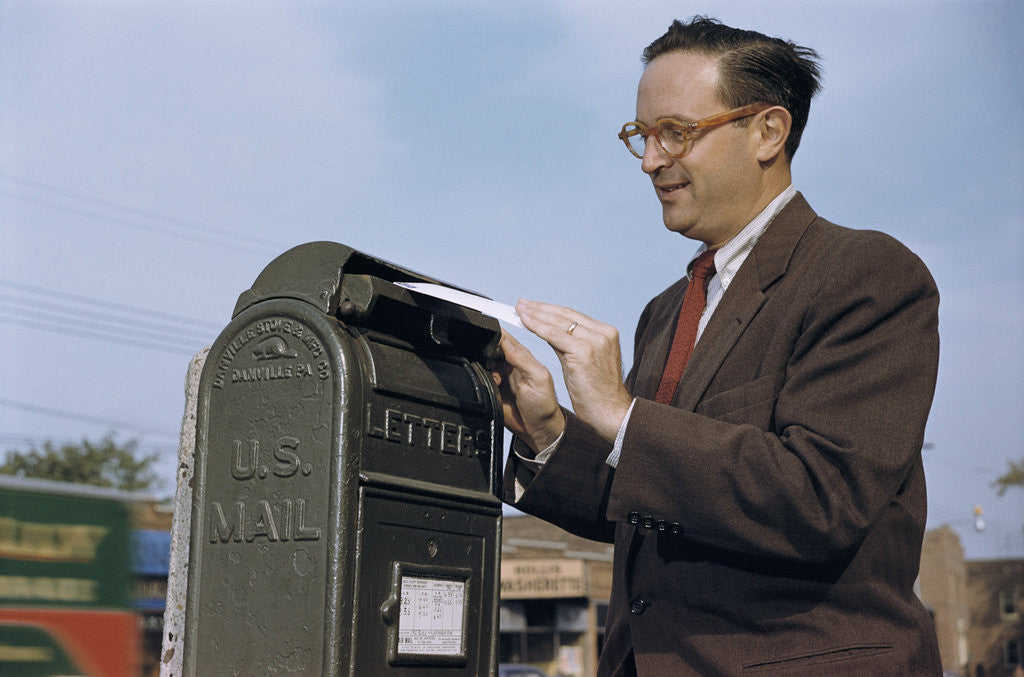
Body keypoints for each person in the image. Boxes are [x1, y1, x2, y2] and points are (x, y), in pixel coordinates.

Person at [491, 16, 942, 676]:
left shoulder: (865, 273)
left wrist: (621, 415)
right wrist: (550, 428)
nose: (650, 160)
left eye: (676, 132)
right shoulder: (665, 312)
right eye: (641, 136)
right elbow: (648, 506)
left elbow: (823, 496)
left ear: (768, 131)